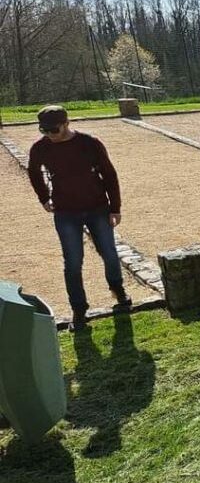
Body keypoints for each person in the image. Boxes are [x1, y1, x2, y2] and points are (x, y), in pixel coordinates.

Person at [27, 105, 131, 330]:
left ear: (66, 123)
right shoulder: (40, 148)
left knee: (110, 254)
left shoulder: (89, 143)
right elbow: (33, 172)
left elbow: (109, 174)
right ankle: (79, 309)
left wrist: (115, 207)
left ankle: (117, 289)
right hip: (66, 211)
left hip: (97, 207)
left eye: (54, 130)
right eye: (44, 131)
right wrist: (44, 198)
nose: (50, 135)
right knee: (73, 262)